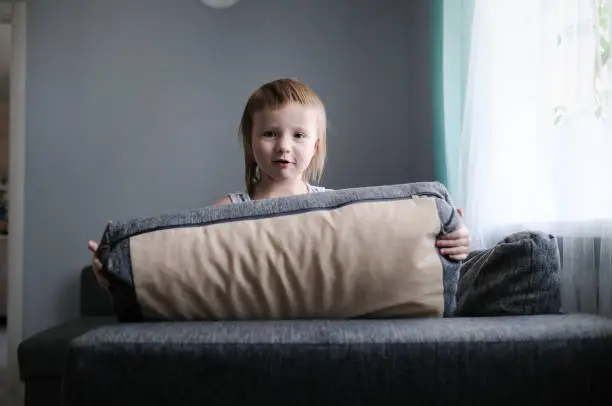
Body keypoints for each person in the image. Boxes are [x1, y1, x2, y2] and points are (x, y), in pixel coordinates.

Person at [88, 78, 471, 290]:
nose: (284, 147)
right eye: (270, 133)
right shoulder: (230, 208)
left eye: (299, 136)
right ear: (251, 143)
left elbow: (386, 248)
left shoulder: (339, 206)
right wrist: (117, 271)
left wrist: (450, 236)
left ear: (315, 144)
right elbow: (182, 260)